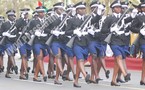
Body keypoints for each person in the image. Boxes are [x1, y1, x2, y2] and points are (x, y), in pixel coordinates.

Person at [101, 0, 131, 86]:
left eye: (120, 7)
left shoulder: (123, 17)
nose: (119, 9)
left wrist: (133, 16)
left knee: (117, 61)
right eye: (117, 7)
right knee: (119, 56)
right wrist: (111, 29)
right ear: (113, 9)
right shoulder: (109, 18)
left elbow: (129, 21)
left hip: (122, 40)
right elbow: (103, 30)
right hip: (113, 40)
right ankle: (125, 74)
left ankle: (113, 80)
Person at [65, 1, 90, 88]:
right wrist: (74, 31)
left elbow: (96, 19)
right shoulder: (72, 20)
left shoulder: (87, 19)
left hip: (85, 42)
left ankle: (75, 81)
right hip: (76, 42)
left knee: (81, 60)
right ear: (77, 10)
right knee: (80, 60)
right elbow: (66, 32)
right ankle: (85, 75)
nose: (83, 10)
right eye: (81, 9)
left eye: (84, 8)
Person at [28, 6, 48, 82]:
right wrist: (34, 33)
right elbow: (29, 31)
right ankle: (44, 74)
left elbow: (48, 30)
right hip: (36, 42)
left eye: (43, 12)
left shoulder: (46, 21)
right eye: (40, 12)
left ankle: (35, 76)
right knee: (39, 57)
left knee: (41, 58)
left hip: (43, 41)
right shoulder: (33, 22)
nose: (42, 13)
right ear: (37, 13)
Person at [128, 2, 145, 85]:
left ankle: (142, 79)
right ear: (141, 8)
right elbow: (132, 27)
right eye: (143, 7)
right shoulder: (139, 17)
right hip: (143, 40)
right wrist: (140, 31)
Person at [1, 9, 18, 78]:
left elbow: (18, 32)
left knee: (10, 57)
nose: (12, 17)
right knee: (10, 53)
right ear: (8, 16)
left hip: (13, 42)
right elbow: (1, 32)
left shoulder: (16, 24)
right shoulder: (4, 24)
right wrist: (4, 33)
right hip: (6, 42)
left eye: (13, 16)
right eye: (10, 16)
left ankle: (7, 72)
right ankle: (15, 66)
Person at [16, 8, 31, 80]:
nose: (26, 15)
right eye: (25, 14)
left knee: (26, 57)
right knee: (23, 55)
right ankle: (26, 72)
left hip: (28, 41)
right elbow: (16, 26)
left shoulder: (30, 21)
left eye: (27, 14)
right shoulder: (19, 21)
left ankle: (21, 74)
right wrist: (21, 18)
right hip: (21, 41)